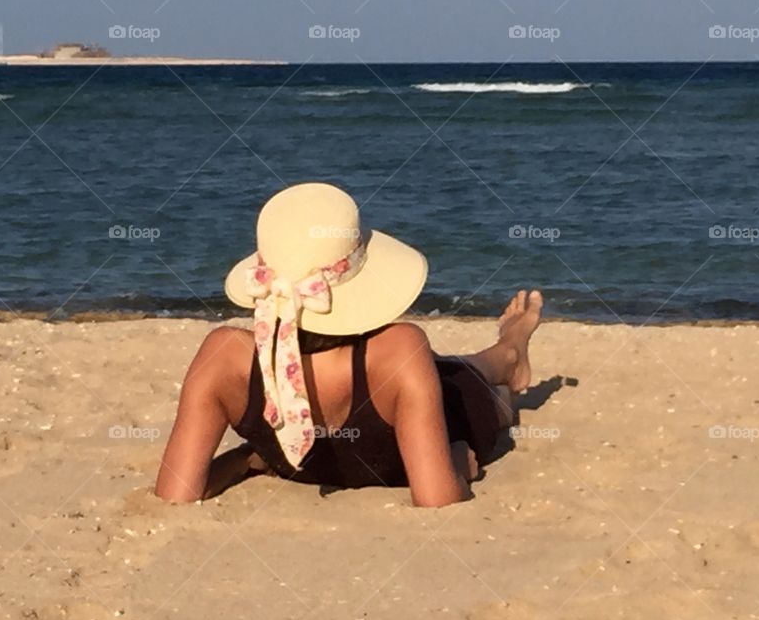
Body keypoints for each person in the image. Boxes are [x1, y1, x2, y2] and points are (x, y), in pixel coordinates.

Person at [154, 182, 543, 507]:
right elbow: (437, 499)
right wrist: (459, 462)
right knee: (470, 386)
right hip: (438, 403)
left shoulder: (224, 355)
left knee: (448, 371)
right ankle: (509, 353)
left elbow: (176, 493)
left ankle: (509, 352)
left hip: (402, 388)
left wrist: (245, 460)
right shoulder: (397, 349)